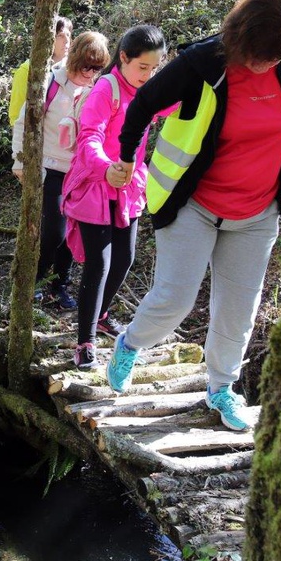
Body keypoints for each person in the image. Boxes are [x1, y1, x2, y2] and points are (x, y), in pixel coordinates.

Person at [107, 0, 281, 431]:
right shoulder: (204, 62)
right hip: (194, 203)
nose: (265, 64)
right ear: (242, 37)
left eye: (274, 55)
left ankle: (222, 389)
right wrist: (126, 158)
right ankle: (131, 343)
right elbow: (144, 103)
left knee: (239, 309)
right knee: (175, 298)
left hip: (258, 211)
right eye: (260, 55)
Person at [61, 26, 172, 368]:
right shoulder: (106, 90)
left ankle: (102, 314)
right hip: (98, 183)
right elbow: (89, 137)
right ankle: (85, 341)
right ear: (123, 58)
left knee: (124, 259)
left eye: (155, 69)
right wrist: (106, 167)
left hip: (129, 185)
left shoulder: (148, 91)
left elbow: (173, 105)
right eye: (142, 67)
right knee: (100, 264)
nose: (148, 75)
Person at [11, 31, 110, 310]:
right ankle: (37, 280)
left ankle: (60, 285)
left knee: (71, 234)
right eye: (87, 66)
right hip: (50, 168)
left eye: (98, 68)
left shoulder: (96, 87)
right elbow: (23, 123)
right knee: (54, 232)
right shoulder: (50, 82)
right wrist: (20, 161)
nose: (91, 73)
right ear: (75, 58)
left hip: (80, 172)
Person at [7, 15, 73, 126]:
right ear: (49, 38)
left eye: (68, 35)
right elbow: (16, 115)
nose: (66, 40)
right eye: (60, 36)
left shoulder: (73, 69)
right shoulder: (27, 70)